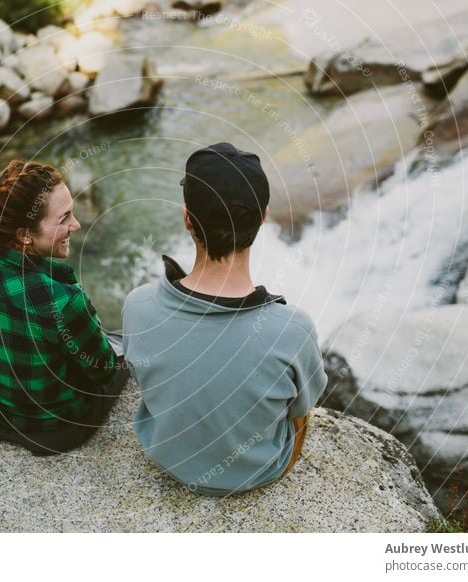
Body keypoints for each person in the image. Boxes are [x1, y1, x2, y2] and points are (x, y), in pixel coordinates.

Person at [122, 142, 327, 495]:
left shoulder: (137, 305)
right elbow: (302, 407)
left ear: (187, 217)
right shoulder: (291, 330)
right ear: (262, 219)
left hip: (166, 458)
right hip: (258, 473)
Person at [0, 159, 128, 456]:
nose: (76, 225)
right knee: (123, 353)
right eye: (64, 218)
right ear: (24, 235)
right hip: (53, 431)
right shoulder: (62, 300)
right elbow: (101, 373)